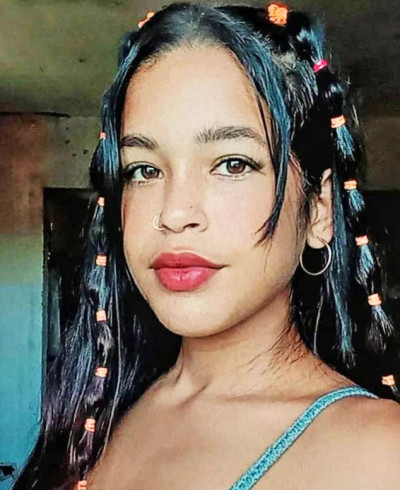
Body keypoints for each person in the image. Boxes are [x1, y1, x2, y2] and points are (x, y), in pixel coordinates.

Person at [13, 2, 400, 489]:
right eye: (144, 170)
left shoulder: (379, 454)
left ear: (318, 209)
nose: (174, 213)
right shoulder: (97, 414)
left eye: (233, 164)